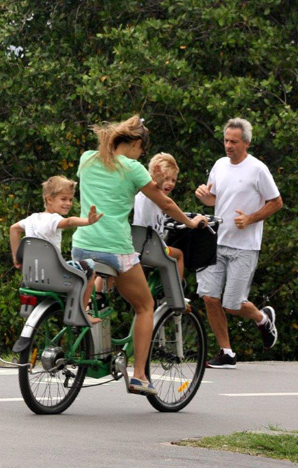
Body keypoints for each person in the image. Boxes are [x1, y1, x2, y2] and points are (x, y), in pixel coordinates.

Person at [72, 115, 207, 396]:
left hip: (82, 245)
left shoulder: (86, 158)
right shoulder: (133, 168)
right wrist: (191, 222)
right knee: (145, 306)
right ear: (134, 143)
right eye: (141, 149)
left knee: (98, 289)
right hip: (115, 248)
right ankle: (139, 375)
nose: (141, 155)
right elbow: (165, 202)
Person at [195, 117, 283, 369]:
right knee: (210, 297)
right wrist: (203, 196)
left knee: (232, 304)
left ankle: (262, 318)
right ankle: (226, 352)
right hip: (217, 242)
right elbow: (214, 200)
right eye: (225, 140)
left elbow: (276, 202)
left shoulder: (258, 169)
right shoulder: (220, 165)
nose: (228, 145)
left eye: (234, 141)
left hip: (245, 247)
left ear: (246, 143)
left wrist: (251, 218)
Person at [9, 175, 103, 324]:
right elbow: (70, 221)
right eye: (63, 199)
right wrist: (88, 221)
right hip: (54, 277)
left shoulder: (31, 219)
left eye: (70, 200)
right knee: (90, 266)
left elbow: (13, 229)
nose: (68, 203)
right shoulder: (53, 219)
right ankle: (82, 313)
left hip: (32, 277)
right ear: (49, 199)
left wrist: (16, 258)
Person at [133, 152, 186, 281]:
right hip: (153, 250)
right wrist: (155, 179)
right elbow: (154, 186)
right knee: (179, 255)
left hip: (138, 247)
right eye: (166, 179)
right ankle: (177, 295)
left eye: (173, 180)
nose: (171, 183)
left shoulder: (141, 196)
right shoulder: (151, 195)